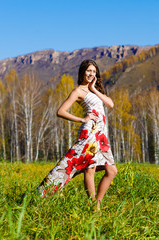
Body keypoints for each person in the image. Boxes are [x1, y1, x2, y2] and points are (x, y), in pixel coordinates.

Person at [37, 59, 117, 210]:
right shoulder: (78, 91)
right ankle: (95, 208)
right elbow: (60, 111)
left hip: (101, 136)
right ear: (82, 72)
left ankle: (96, 205)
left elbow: (110, 104)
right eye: (88, 71)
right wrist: (82, 119)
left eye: (94, 71)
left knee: (112, 171)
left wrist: (94, 88)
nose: (91, 74)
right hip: (90, 132)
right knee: (90, 169)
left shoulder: (95, 90)